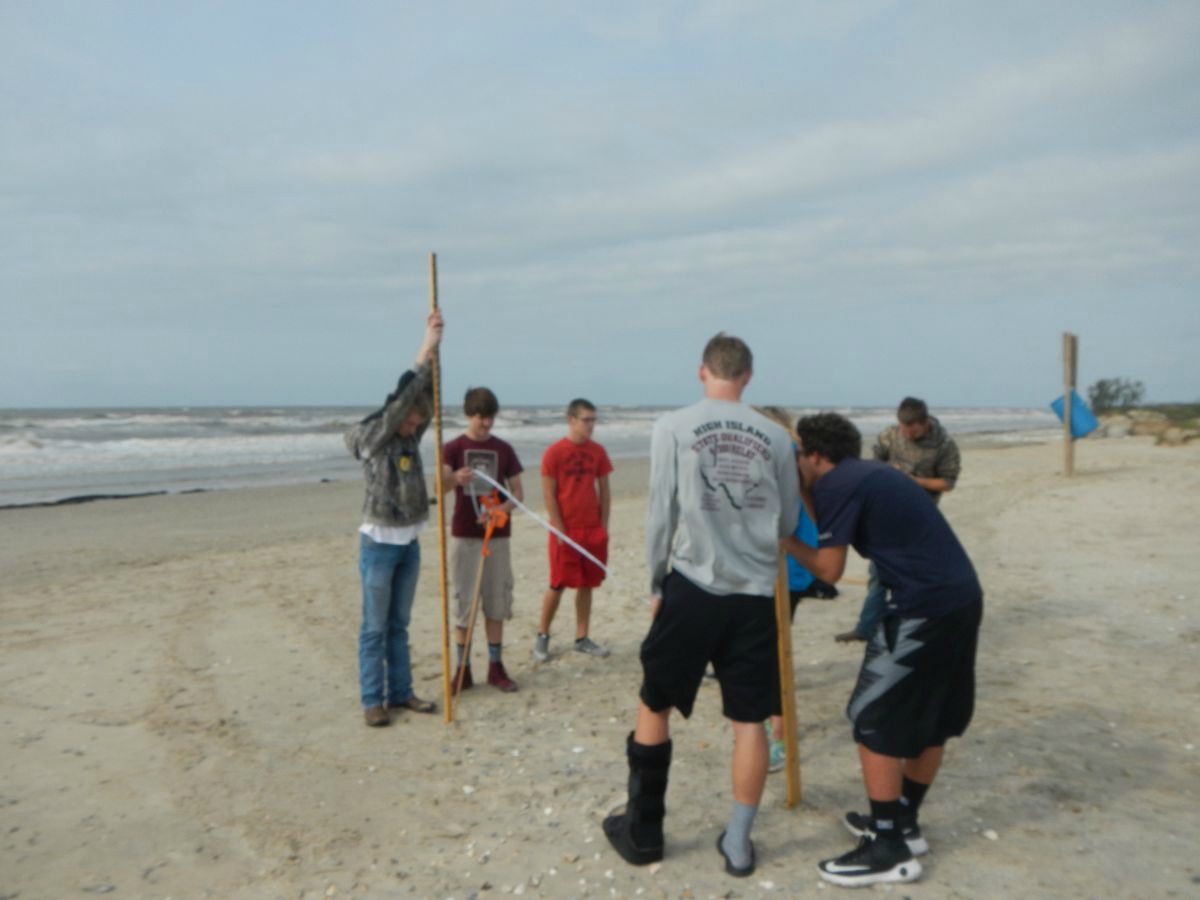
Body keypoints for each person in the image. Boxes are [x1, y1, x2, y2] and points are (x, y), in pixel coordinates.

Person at [602, 333, 799, 879]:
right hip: (754, 594)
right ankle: (738, 844)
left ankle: (644, 831)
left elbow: (661, 515)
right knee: (750, 720)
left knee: (655, 700)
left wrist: (656, 582)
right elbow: (786, 523)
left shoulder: (673, 426)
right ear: (748, 377)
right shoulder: (777, 437)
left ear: (702, 371)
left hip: (693, 583)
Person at [784, 412, 983, 887]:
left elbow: (828, 569)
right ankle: (903, 822)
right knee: (932, 718)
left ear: (815, 455)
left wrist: (782, 540)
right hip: (961, 597)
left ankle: (888, 848)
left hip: (921, 608)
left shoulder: (839, 485)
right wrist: (804, 493)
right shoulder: (865, 475)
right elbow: (835, 526)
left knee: (870, 717)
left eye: (795, 456)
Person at [344, 310, 444, 728]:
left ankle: (401, 692)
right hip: (380, 543)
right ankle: (373, 700)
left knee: (399, 626)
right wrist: (424, 348)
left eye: (417, 421)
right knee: (375, 627)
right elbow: (402, 401)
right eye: (409, 418)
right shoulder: (376, 434)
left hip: (409, 541)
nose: (414, 425)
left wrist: (436, 360)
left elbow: (426, 404)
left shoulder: (408, 431)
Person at [836, 397, 961, 643]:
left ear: (924, 423)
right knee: (879, 575)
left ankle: (920, 626)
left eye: (912, 428)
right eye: (903, 427)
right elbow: (871, 465)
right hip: (885, 514)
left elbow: (947, 483)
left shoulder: (944, 444)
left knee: (920, 576)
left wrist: (913, 481)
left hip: (921, 517)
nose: (907, 432)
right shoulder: (889, 436)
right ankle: (866, 628)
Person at [442, 387, 524, 693]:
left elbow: (518, 494)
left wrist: (500, 510)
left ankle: (495, 667)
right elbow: (440, 486)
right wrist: (455, 480)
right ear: (468, 415)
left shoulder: (504, 449)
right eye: (481, 419)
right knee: (464, 602)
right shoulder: (453, 448)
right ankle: (462, 670)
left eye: (490, 419)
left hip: (497, 536)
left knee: (496, 601)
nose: (486, 425)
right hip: (465, 536)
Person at [533, 398, 613, 662]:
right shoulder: (554, 453)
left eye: (593, 420)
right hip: (565, 529)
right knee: (558, 584)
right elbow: (549, 495)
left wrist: (603, 527)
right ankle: (542, 636)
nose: (591, 425)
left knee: (587, 583)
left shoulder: (598, 452)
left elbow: (605, 490)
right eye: (586, 420)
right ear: (572, 420)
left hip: (592, 528)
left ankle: (582, 637)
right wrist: (559, 531)